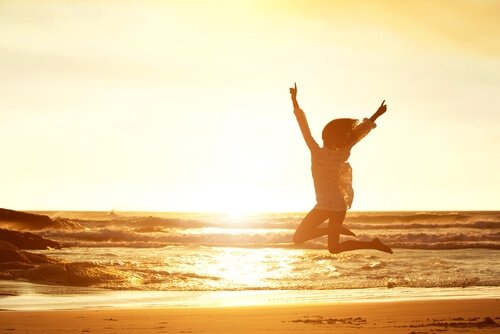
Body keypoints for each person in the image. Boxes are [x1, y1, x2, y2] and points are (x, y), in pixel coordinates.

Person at [290, 83, 392, 254]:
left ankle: (373, 244)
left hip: (335, 206)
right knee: (298, 238)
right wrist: (294, 101)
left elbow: (359, 131)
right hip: (324, 205)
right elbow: (305, 128)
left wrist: (294, 100)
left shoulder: (321, 151)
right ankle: (336, 231)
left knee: (333, 249)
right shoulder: (330, 151)